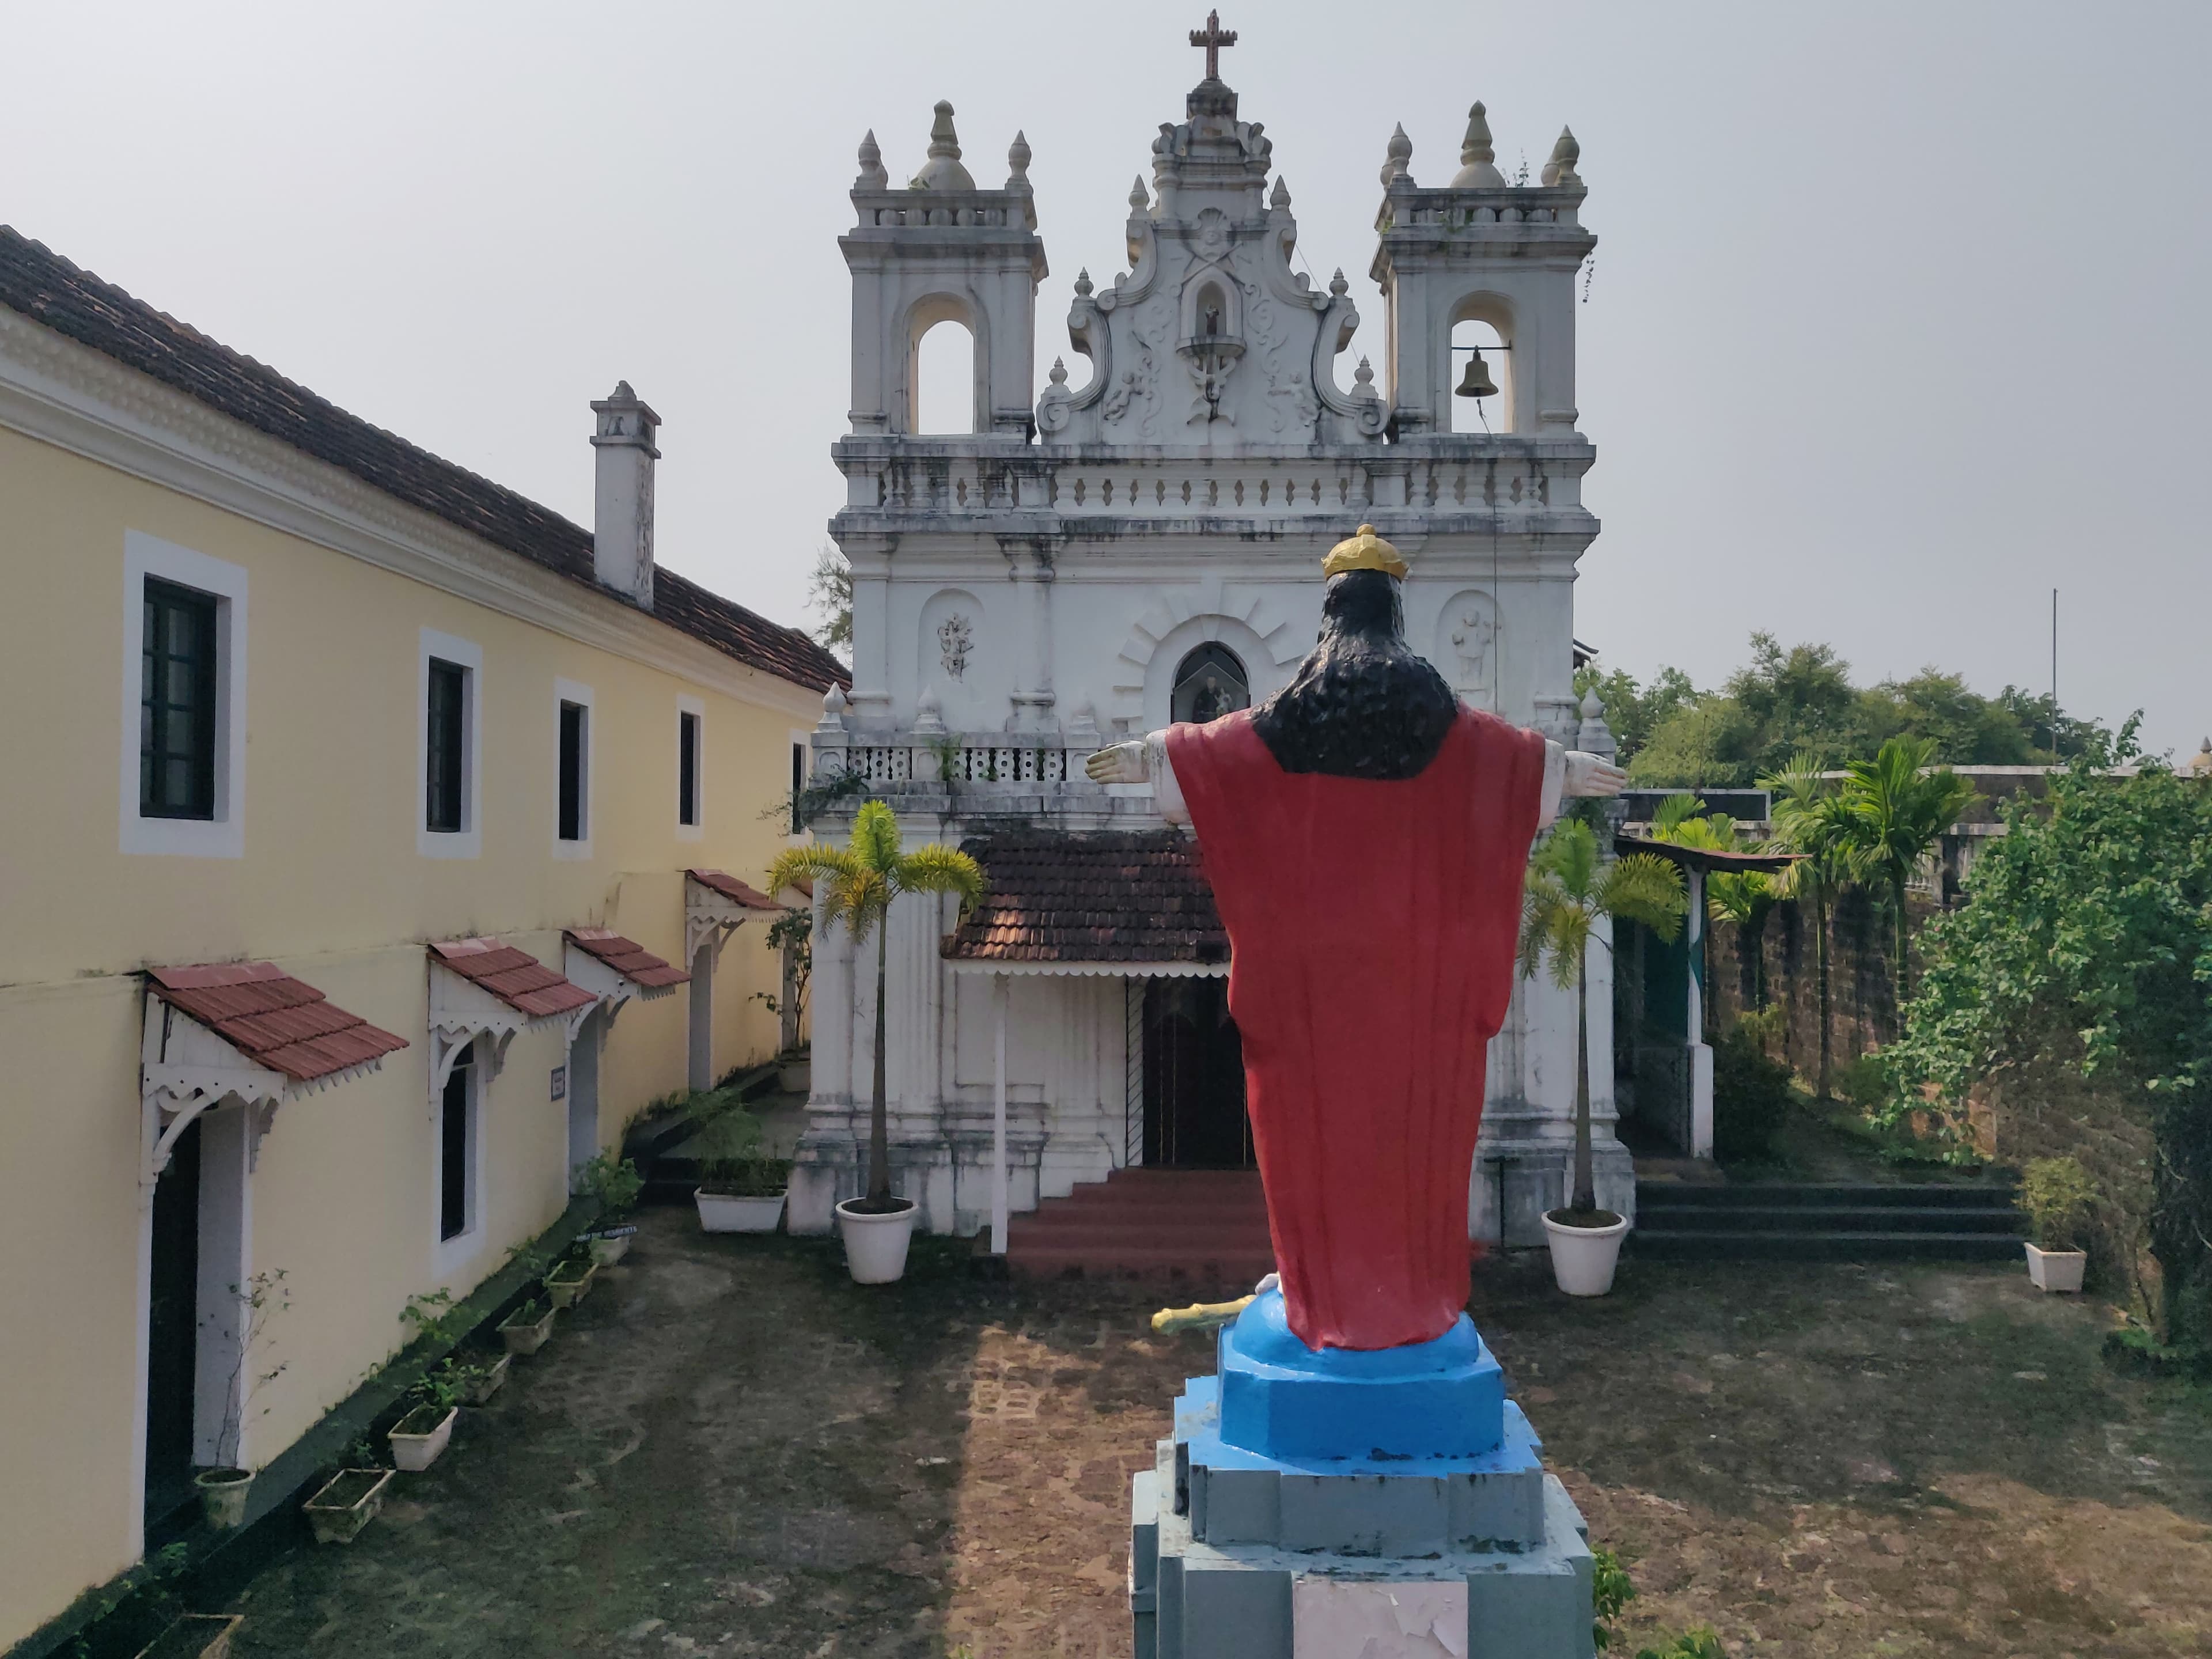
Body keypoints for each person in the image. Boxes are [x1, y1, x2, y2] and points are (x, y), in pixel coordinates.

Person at [1087, 526, 1624, 1349]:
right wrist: (1556, 770)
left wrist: (1154, 756)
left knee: (1311, 1136)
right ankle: (1401, 1293)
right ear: (1393, 608)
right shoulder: (1428, 704)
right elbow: (1496, 756)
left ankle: (1320, 1286)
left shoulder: (1300, 711)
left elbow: (1228, 749)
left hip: (1313, 993)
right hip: (1414, 993)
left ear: (1330, 611)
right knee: (1413, 1142)